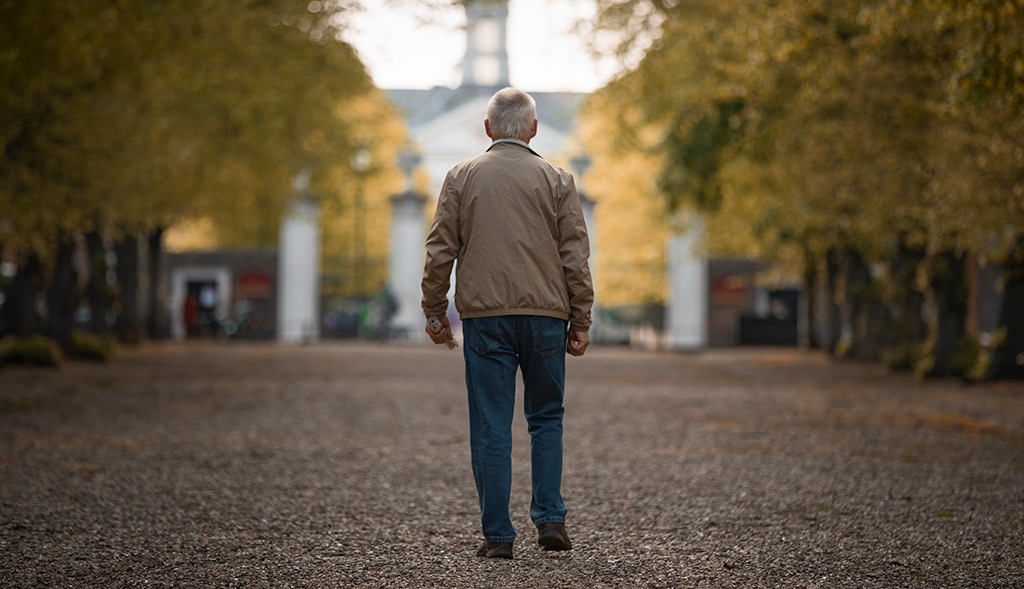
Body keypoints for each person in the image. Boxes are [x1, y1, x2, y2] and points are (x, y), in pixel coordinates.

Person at [421, 87, 594, 560]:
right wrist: (581, 316)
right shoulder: (558, 179)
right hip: (545, 317)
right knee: (546, 418)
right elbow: (574, 256)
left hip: (486, 318)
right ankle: (551, 517)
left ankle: (498, 534)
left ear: (488, 128)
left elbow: (440, 251)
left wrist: (435, 311)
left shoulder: (461, 177)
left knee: (491, 425)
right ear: (534, 129)